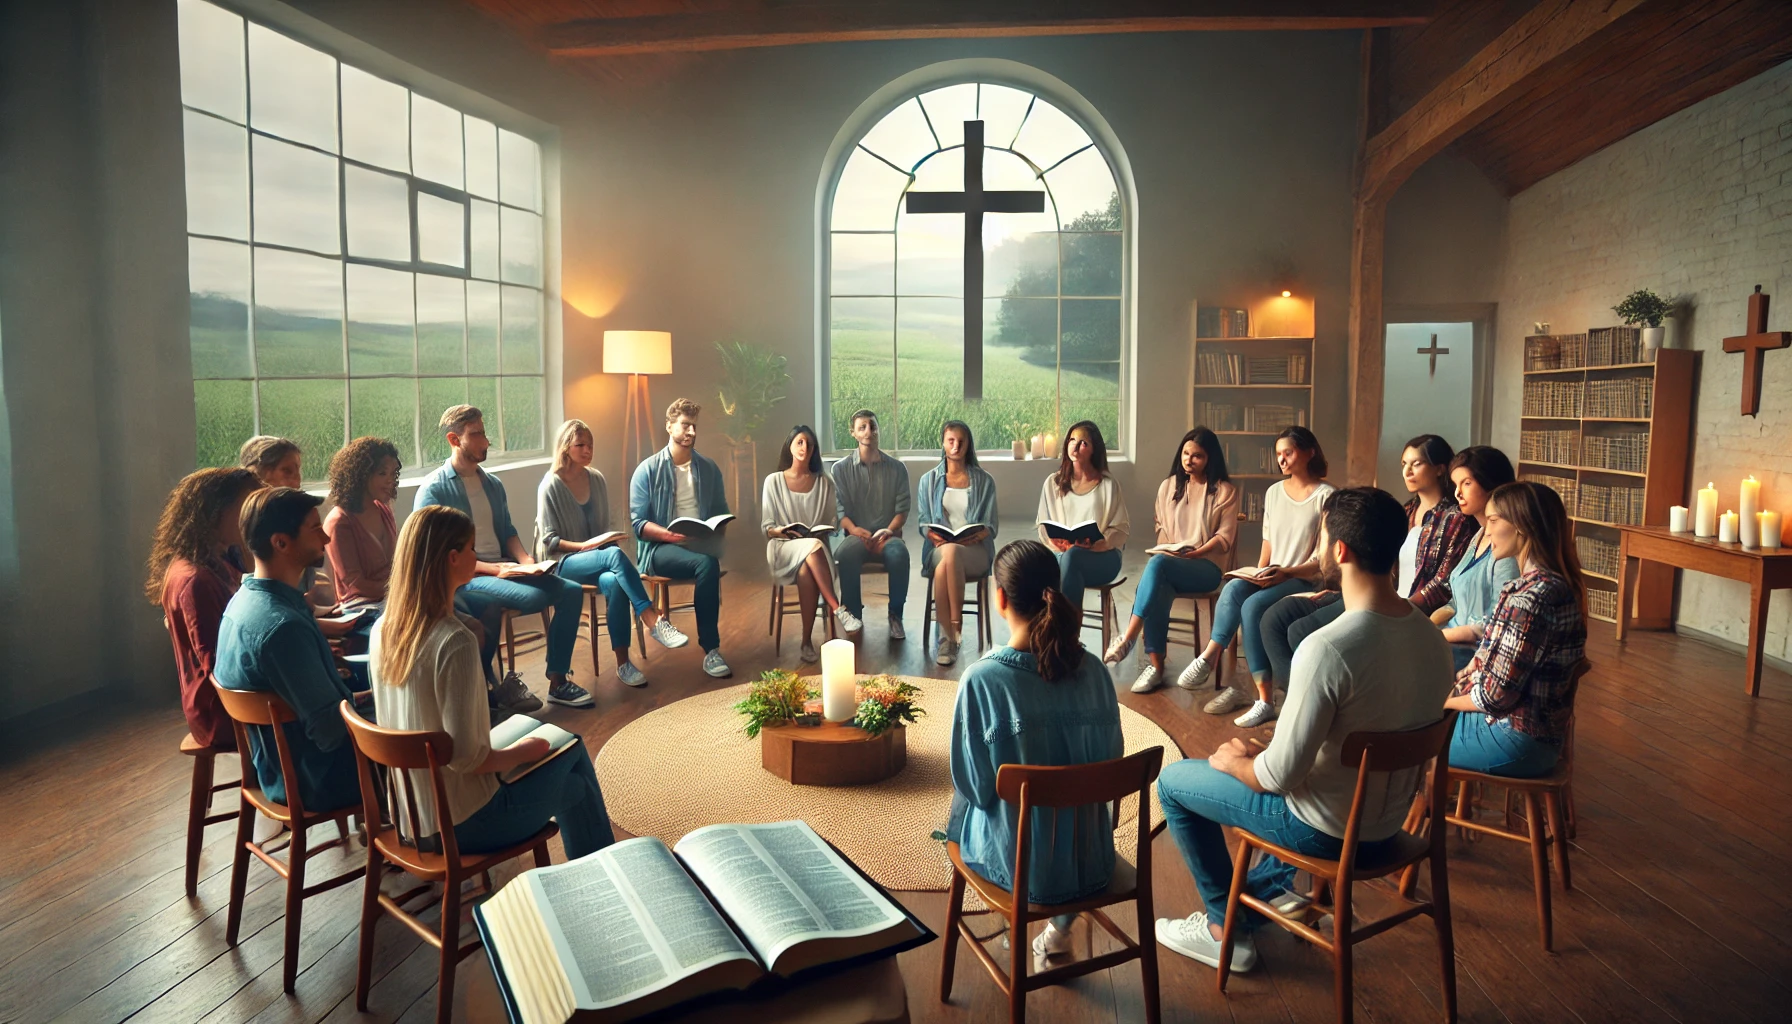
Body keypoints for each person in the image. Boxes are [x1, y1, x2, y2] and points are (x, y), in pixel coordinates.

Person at [1154, 487, 1452, 972]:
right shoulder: (1430, 636)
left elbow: (1278, 778)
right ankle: (1258, 900)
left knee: (1173, 782)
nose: (1318, 549)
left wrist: (1235, 762)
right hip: (1388, 829)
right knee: (1281, 772)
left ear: (1341, 550)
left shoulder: (1329, 647)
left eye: (1321, 538)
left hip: (1326, 834)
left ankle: (1221, 928)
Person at [369, 505, 616, 859]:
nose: (477, 555)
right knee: (572, 757)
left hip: (410, 819)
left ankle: (603, 872)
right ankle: (608, 872)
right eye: (471, 549)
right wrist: (525, 751)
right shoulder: (453, 641)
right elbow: (468, 760)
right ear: (453, 559)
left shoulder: (382, 630)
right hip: (461, 822)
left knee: (570, 770)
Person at [949, 539, 1123, 961]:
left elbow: (977, 789)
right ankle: (1060, 924)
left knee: (962, 800)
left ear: (1000, 598)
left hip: (1021, 870)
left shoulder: (982, 680)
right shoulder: (1095, 671)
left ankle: (1025, 919)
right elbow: (1111, 762)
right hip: (1092, 861)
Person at [1259, 434, 1473, 692]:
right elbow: (1380, 562)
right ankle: (1294, 699)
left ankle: (1312, 702)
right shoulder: (1404, 511)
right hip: (1380, 592)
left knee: (1299, 631)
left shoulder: (1454, 519)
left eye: (1416, 464)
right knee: (1276, 617)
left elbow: (1445, 581)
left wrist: (1405, 605)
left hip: (1401, 605)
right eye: (1404, 464)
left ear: (1439, 469)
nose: (1407, 471)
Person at [416, 405, 591, 709]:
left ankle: (558, 681)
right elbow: (442, 555)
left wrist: (527, 563)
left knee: (571, 591)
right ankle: (486, 693)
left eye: (484, 432)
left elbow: (508, 532)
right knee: (530, 600)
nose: (486, 441)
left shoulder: (492, 484)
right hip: (467, 578)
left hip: (503, 569)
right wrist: (496, 569)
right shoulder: (433, 490)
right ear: (454, 440)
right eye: (477, 434)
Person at [215, 487, 363, 813]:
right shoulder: (283, 627)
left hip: (273, 769)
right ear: (280, 542)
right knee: (429, 737)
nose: (325, 538)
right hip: (317, 779)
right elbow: (331, 732)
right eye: (314, 529)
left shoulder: (241, 603)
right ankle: (431, 840)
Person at [1189, 426, 1334, 727]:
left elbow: (1322, 559)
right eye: (1278, 454)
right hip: (1272, 574)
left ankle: (1264, 700)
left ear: (1309, 452)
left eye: (1288, 453)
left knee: (1253, 607)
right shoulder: (1273, 492)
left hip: (1303, 577)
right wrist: (1256, 573)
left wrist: (1285, 573)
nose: (1281, 460)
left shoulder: (1326, 496)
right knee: (1235, 589)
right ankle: (1210, 655)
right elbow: (1268, 542)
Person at [1445, 481, 1587, 778]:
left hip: (1513, 741)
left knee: (1407, 735)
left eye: (1494, 520)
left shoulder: (1528, 599)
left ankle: (1413, 818)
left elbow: (1494, 698)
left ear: (1521, 525)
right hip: (1539, 739)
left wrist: (1441, 703)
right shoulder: (1555, 586)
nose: (1487, 530)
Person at [537, 419, 688, 687]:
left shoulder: (596, 479)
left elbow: (604, 528)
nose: (587, 450)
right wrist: (585, 546)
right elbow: (550, 542)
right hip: (563, 563)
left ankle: (623, 664)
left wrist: (604, 542)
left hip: (597, 558)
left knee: (615, 581)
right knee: (614, 557)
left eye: (590, 445)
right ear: (565, 448)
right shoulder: (551, 484)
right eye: (580, 445)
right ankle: (652, 619)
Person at [1104, 427, 1240, 694]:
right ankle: (1155, 667)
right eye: (1185, 454)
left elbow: (1225, 538)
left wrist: (1196, 552)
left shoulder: (1225, 491)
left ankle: (1129, 638)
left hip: (1207, 567)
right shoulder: (1168, 487)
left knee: (1157, 567)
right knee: (1160, 582)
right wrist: (1171, 549)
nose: (1189, 460)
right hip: (1172, 562)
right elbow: (1161, 527)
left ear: (1210, 458)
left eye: (1197, 456)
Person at [148, 467, 261, 750]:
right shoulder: (196, 579)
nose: (253, 516)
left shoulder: (221, 560)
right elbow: (218, 666)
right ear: (214, 512)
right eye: (245, 506)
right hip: (220, 712)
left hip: (231, 700)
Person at [629, 398, 733, 678]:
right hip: (661, 549)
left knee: (707, 560)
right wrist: (670, 536)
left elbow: (722, 511)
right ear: (669, 426)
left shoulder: (708, 469)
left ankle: (711, 651)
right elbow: (638, 524)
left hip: (700, 544)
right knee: (707, 565)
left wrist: (715, 528)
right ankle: (711, 650)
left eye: (694, 427)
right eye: (685, 425)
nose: (691, 432)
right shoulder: (647, 470)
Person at [762, 425, 861, 662]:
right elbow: (767, 528)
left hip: (815, 551)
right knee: (812, 547)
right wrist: (782, 530)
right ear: (790, 446)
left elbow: (831, 524)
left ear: (814, 449)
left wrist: (823, 530)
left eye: (809, 443)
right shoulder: (773, 482)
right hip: (783, 548)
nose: (804, 447)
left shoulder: (824, 482)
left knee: (809, 563)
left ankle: (806, 642)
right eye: (799, 442)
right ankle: (839, 609)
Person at [916, 420, 999, 667]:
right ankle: (954, 632)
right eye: (951, 440)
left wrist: (974, 536)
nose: (956, 445)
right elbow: (923, 522)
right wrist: (934, 536)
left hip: (975, 552)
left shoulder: (984, 481)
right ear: (943, 443)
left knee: (950, 557)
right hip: (939, 549)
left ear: (968, 444)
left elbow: (991, 524)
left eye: (961, 441)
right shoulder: (928, 481)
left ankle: (948, 638)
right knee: (947, 557)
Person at [1432, 446, 1520, 670]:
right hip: (1451, 640)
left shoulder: (1505, 551)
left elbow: (1494, 622)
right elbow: (1455, 603)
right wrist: (1427, 625)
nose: (1457, 493)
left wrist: (1437, 637)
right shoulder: (1478, 536)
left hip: (1475, 653)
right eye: (1456, 484)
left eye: (1467, 483)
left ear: (1491, 483)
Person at [830, 409, 912, 640]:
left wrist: (888, 529)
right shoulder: (840, 469)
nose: (868, 432)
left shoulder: (897, 468)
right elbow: (838, 510)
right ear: (853, 433)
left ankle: (896, 615)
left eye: (872, 427)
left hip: (888, 536)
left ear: (878, 430)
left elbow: (902, 509)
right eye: (862, 427)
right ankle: (853, 614)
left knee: (900, 555)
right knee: (845, 555)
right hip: (856, 535)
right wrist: (854, 530)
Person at [1034, 419, 1130, 612]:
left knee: (1072, 558)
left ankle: (1066, 634)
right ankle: (1054, 631)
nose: (1075, 447)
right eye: (1072, 440)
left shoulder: (1108, 485)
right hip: (1064, 555)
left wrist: (1097, 544)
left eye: (1083, 443)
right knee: (1038, 562)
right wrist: (1059, 544)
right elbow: (1043, 527)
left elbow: (1120, 528)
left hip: (1103, 557)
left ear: (1094, 449)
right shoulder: (1052, 483)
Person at [322, 437, 403, 608]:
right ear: (361, 476)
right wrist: (405, 588)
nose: (391, 480)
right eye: (382, 473)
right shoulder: (339, 522)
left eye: (394, 473)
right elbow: (356, 585)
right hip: (361, 607)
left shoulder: (383, 510)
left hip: (392, 599)